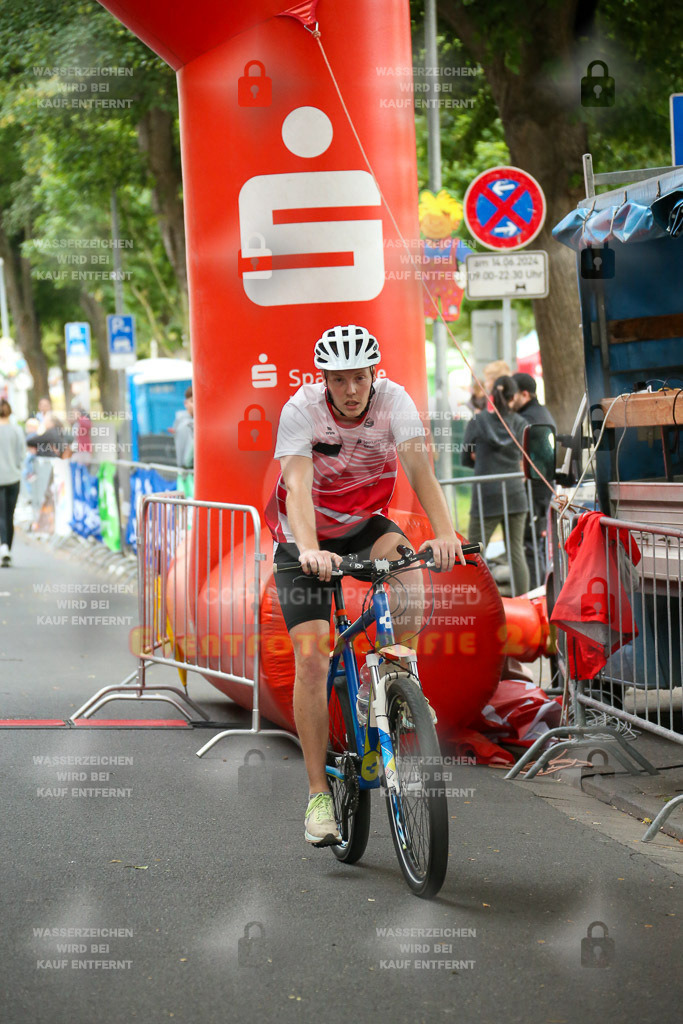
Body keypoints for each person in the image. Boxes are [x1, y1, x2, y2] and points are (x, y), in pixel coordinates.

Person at [265, 324, 464, 847]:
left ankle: (400, 680)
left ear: (374, 375)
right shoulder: (301, 410)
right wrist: (309, 550)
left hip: (364, 526)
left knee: (412, 573)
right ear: (323, 379)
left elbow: (421, 471)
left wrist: (445, 534)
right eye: (340, 380)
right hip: (301, 537)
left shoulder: (395, 402)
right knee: (312, 657)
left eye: (360, 378)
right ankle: (316, 796)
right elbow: (298, 486)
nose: (351, 390)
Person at [461, 375, 529, 596]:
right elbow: (526, 459)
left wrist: (479, 458)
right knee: (516, 552)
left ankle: (475, 600)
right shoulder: (521, 424)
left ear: (492, 397)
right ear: (513, 397)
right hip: (515, 494)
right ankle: (522, 602)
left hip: (486, 496)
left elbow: (466, 457)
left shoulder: (477, 422)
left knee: (473, 552)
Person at [512, 372, 557, 587]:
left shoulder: (529, 418)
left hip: (535, 488)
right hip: (540, 487)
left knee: (531, 544)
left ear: (525, 394)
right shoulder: (540, 412)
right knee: (534, 544)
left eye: (513, 395)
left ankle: (536, 593)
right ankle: (538, 591)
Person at [0, 399, 26, 567]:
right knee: (9, 515)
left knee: (1, 515)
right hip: (13, 478)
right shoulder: (17, 430)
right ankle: (7, 547)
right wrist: (16, 466)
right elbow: (22, 454)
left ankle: (4, 549)